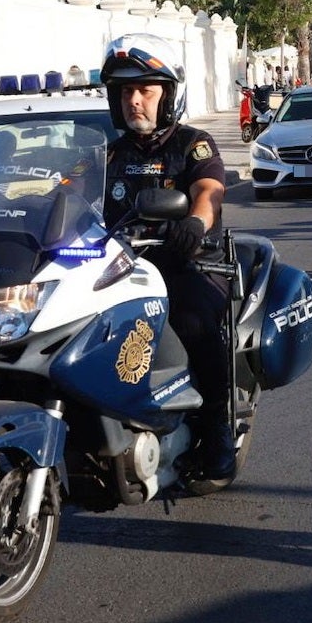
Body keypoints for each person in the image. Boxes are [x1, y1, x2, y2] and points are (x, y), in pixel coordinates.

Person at [100, 33, 239, 481]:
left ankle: (217, 426)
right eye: (125, 92)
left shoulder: (193, 144)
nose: (134, 101)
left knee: (195, 321)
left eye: (145, 91)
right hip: (121, 267)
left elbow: (208, 190)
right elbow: (69, 193)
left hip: (188, 262)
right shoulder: (108, 153)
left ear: (168, 96)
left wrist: (195, 224)